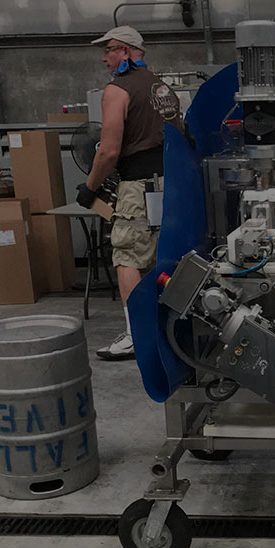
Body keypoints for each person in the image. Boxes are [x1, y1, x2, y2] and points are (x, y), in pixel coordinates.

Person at [76, 26, 177, 360]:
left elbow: (107, 151)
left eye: (109, 50)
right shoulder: (163, 88)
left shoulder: (117, 90)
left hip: (137, 186)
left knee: (127, 255)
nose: (104, 58)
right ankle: (169, 330)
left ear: (127, 50)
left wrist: (90, 187)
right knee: (161, 257)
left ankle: (137, 335)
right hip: (171, 185)